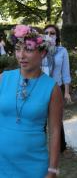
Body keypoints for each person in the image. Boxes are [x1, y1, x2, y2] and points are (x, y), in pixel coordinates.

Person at [0, 25, 63, 177]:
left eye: (28, 49)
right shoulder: (3, 79)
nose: (21, 55)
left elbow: (55, 131)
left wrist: (53, 169)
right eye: (18, 49)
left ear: (42, 52)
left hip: (34, 166)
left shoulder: (52, 88)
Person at [41, 24, 71, 154]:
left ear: (57, 35)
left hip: (56, 88)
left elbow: (65, 72)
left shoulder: (62, 51)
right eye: (46, 32)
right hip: (40, 88)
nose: (49, 35)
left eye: (52, 33)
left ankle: (60, 146)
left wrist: (67, 92)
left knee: (56, 118)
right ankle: (40, 145)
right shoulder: (39, 50)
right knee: (40, 118)